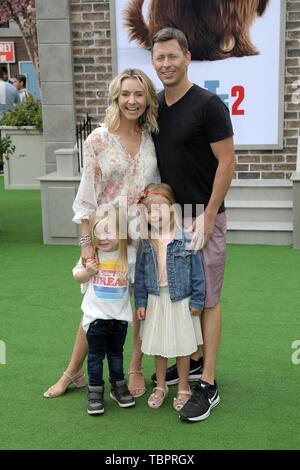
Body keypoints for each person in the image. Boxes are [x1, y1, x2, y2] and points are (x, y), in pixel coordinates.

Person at [43, 68, 160, 398]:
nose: (132, 101)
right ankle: (72, 372)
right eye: (126, 94)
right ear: (116, 97)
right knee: (96, 312)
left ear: (148, 99)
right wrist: (86, 244)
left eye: (139, 94)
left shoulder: (153, 139)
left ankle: (135, 368)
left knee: (139, 305)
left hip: (142, 237)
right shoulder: (98, 139)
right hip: (107, 241)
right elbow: (87, 194)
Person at [150, 28, 236, 422]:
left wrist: (208, 213)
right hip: (167, 222)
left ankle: (209, 383)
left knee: (208, 301)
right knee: (179, 299)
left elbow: (227, 163)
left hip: (204, 217)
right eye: (159, 58)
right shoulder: (155, 107)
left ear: (186, 57)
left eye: (172, 56)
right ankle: (195, 360)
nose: (166, 64)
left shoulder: (208, 105)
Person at [134, 183, 205, 411]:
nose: (156, 215)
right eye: (151, 212)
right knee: (160, 347)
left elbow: (197, 273)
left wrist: (197, 301)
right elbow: (141, 275)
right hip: (156, 300)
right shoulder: (147, 242)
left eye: (161, 209)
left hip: (180, 300)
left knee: (183, 346)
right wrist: (141, 303)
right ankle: (161, 386)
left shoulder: (185, 239)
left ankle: (183, 387)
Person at [73, 206, 136, 415]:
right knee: (94, 357)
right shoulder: (92, 256)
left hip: (119, 319)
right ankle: (95, 391)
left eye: (109, 231)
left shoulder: (130, 256)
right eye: (98, 232)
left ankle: (118, 387)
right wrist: (88, 272)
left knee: (116, 355)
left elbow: (138, 283)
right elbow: (77, 278)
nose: (103, 237)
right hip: (96, 319)